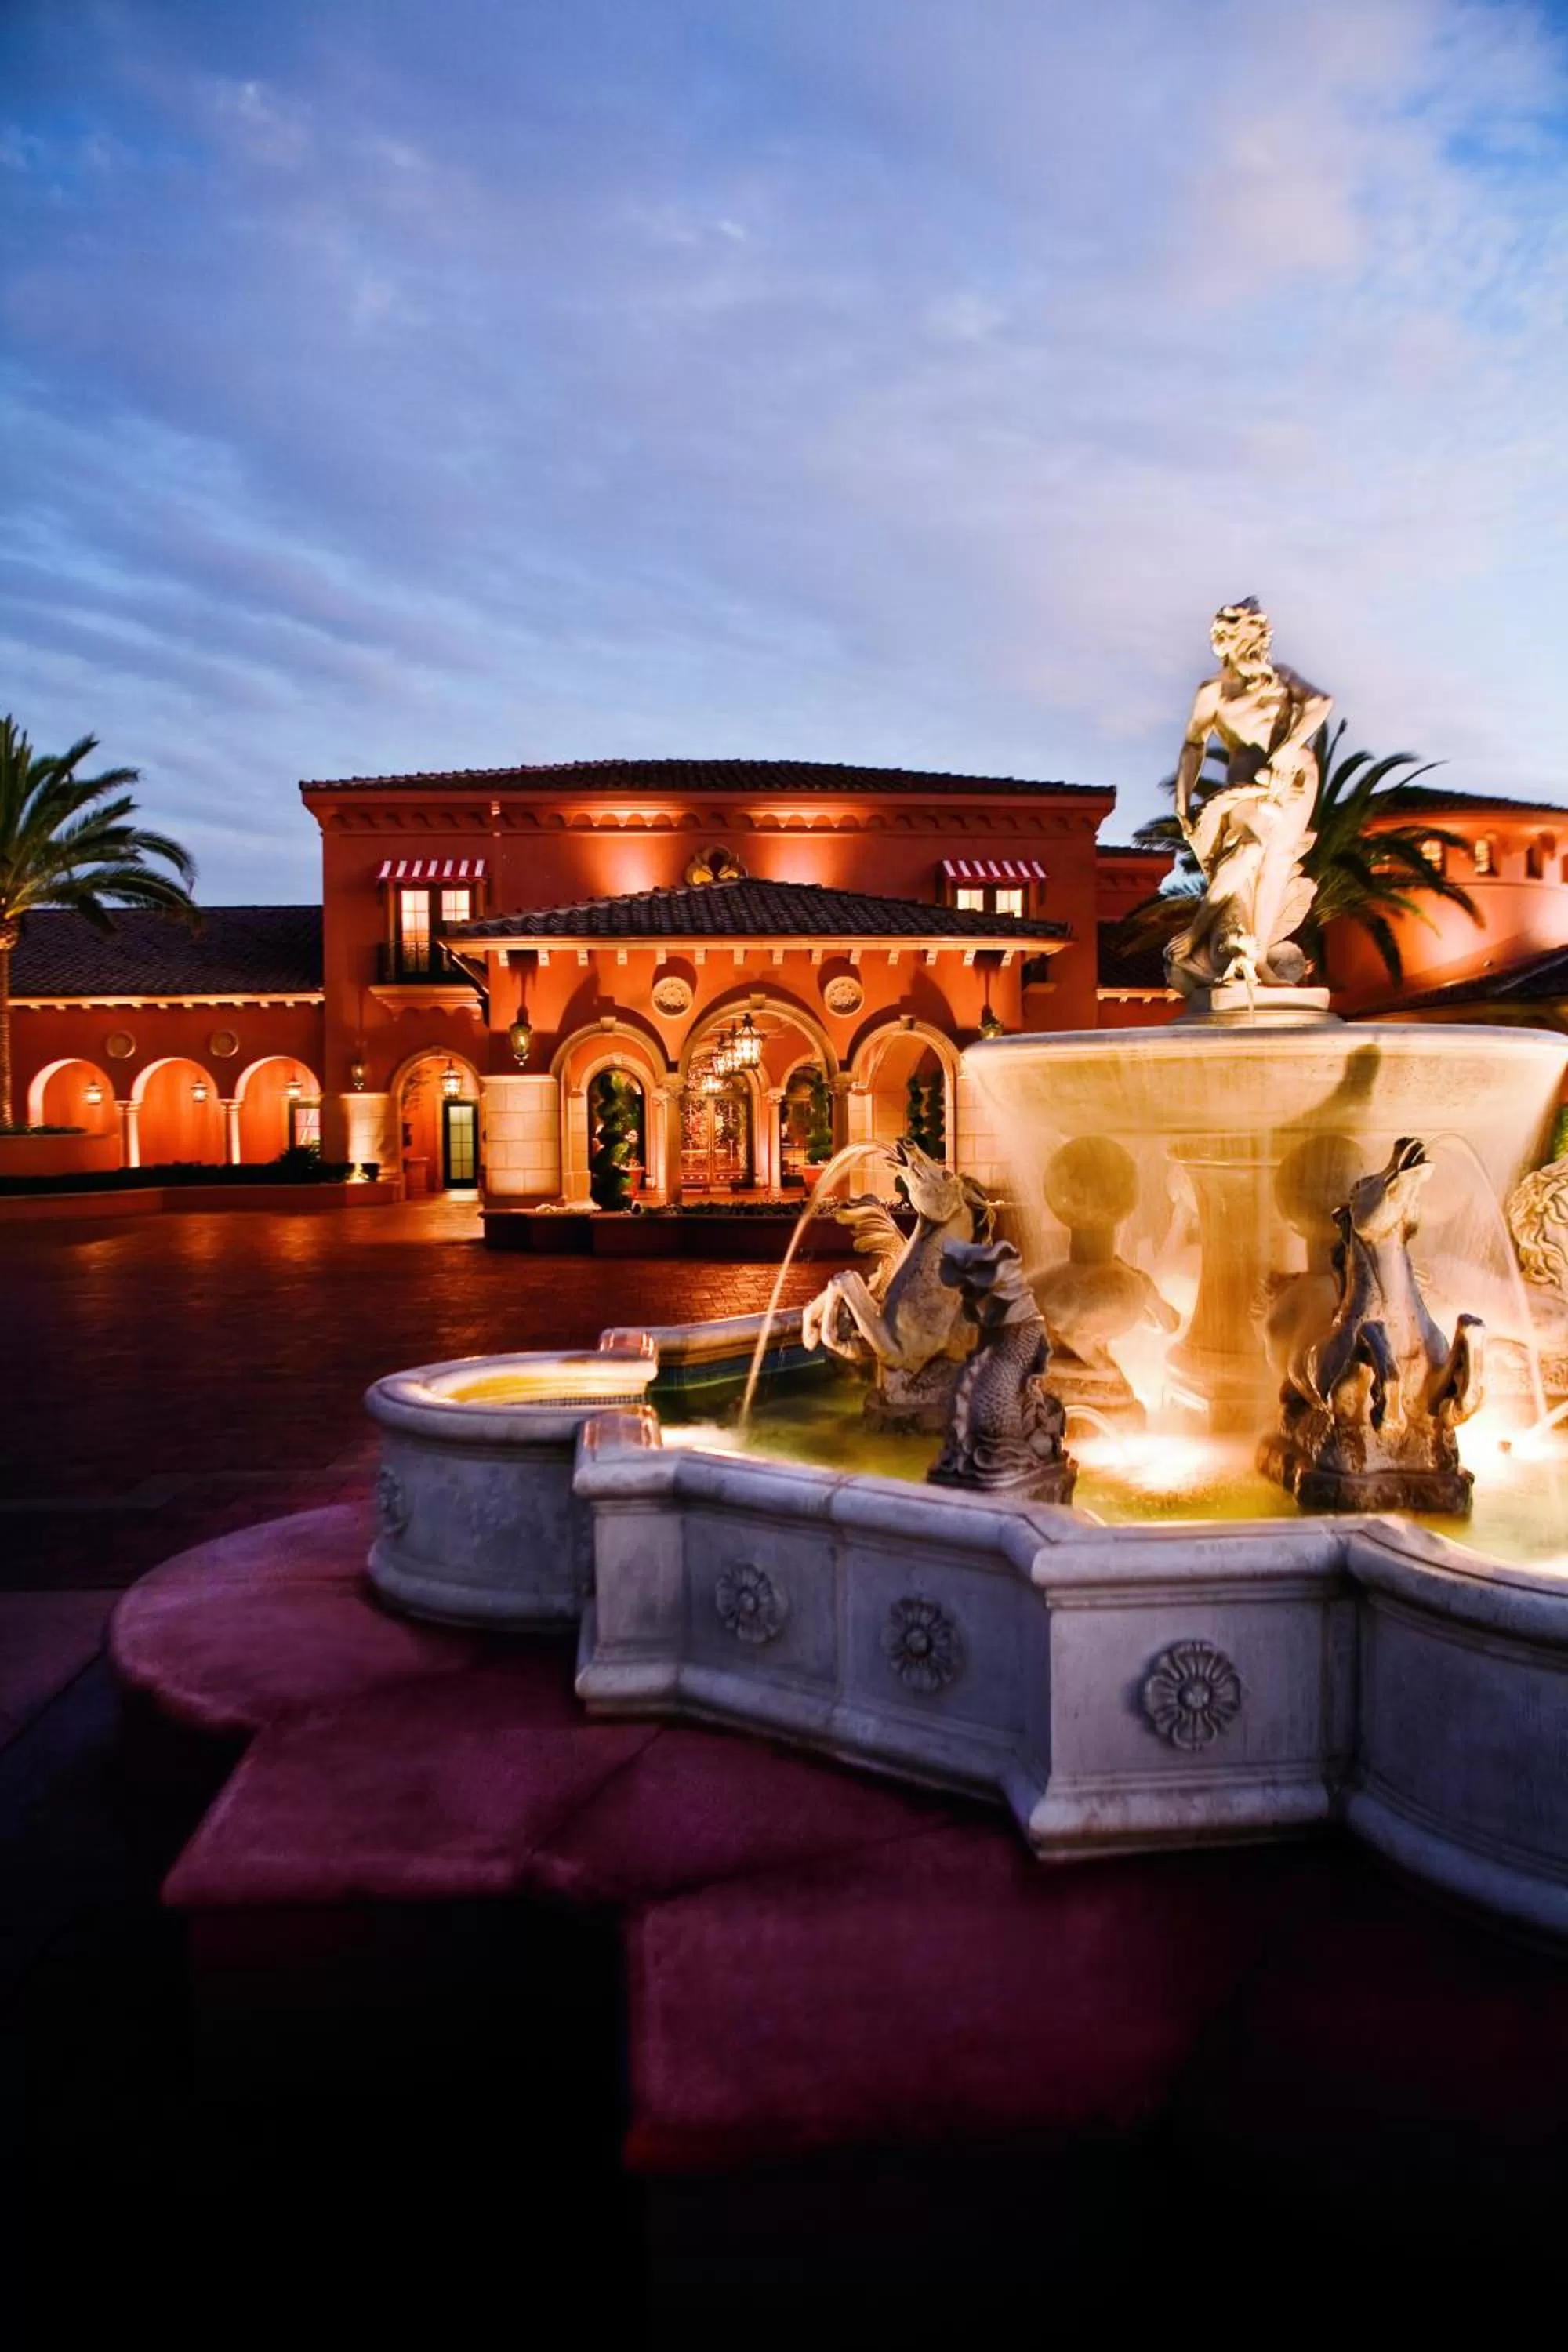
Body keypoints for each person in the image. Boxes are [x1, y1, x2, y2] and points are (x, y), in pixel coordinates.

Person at [1165, 598, 1333, 995]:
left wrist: (1291, 746)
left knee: (1278, 861)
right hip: (1246, 783)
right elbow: (1194, 744)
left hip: (1296, 776)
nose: (1258, 643)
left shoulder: (1283, 678)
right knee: (1248, 850)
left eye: (1260, 634)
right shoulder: (1213, 691)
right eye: (1248, 634)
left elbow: (1320, 704)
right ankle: (1196, 936)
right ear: (1228, 640)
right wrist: (1183, 798)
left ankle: (1257, 960)